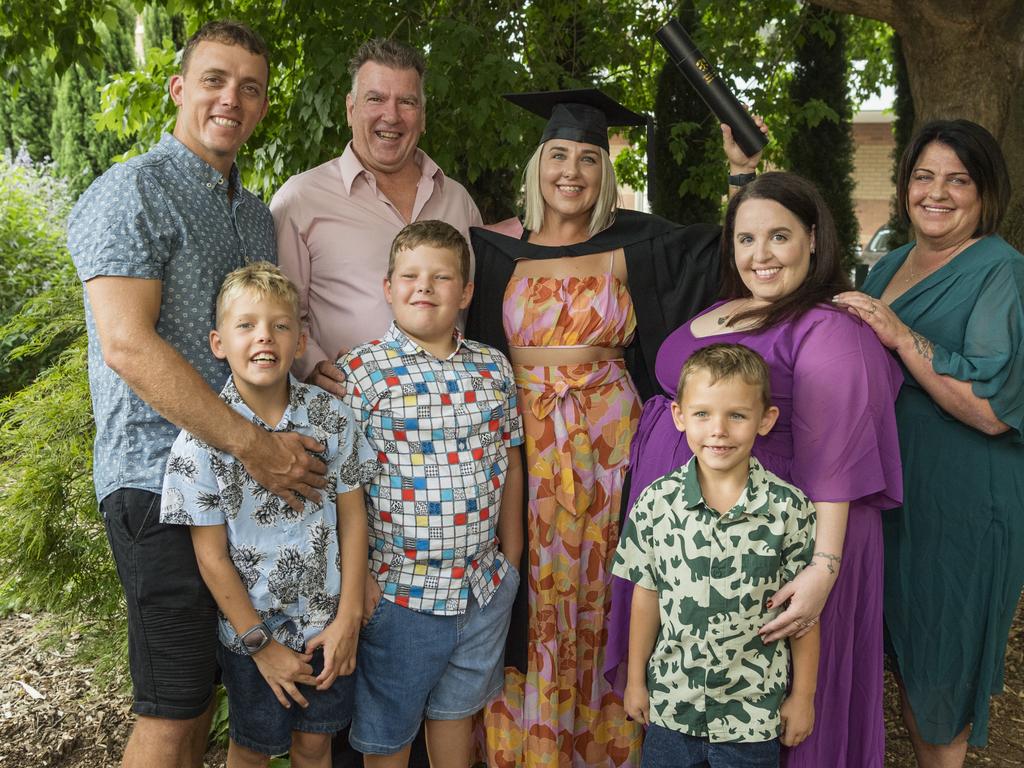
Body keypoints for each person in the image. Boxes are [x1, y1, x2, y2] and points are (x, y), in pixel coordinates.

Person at [464, 88, 765, 767]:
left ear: (606, 173)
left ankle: (606, 747)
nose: (572, 171)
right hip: (525, 447)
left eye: (590, 159)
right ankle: (533, 748)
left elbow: (734, 261)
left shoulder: (639, 243)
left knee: (608, 585)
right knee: (533, 591)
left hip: (611, 449)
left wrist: (741, 175)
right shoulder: (491, 251)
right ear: (539, 164)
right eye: (560, 155)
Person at [66, 21, 326, 768]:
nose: (230, 99)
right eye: (214, 79)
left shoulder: (251, 212)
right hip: (155, 482)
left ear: (263, 106)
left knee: (206, 705)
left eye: (250, 87)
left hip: (239, 490)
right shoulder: (132, 190)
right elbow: (126, 344)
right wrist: (256, 447)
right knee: (172, 710)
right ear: (180, 88)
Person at [612, 172, 903, 768]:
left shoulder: (829, 328)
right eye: (746, 239)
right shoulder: (729, 306)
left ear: (814, 239)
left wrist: (822, 571)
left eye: (779, 236)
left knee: (774, 708)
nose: (760, 255)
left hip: (783, 546)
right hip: (688, 542)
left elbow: (837, 460)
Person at [834, 119, 1024, 768]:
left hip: (963, 505)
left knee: (941, 675)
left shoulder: (1001, 271)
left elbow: (993, 408)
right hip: (893, 500)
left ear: (984, 192)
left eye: (957, 179)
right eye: (923, 176)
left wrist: (897, 335)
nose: (936, 192)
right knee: (907, 665)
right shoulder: (888, 264)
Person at [160, 263, 378, 767]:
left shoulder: (332, 418)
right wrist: (261, 646)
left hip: (327, 626)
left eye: (281, 325)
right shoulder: (199, 444)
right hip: (253, 636)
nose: (265, 337)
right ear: (218, 343)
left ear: (301, 341)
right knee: (252, 750)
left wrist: (347, 617)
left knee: (314, 744)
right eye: (247, 325)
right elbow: (211, 558)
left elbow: (352, 518)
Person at [336, 221, 524, 768]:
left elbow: (509, 461)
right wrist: (360, 580)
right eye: (411, 276)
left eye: (442, 277)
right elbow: (339, 488)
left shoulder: (492, 367)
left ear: (465, 292)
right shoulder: (360, 372)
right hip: (398, 594)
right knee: (389, 736)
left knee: (456, 722)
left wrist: (510, 561)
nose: (425, 287)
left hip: (483, 589)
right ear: (388, 287)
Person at [614, 343, 819, 768]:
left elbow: (803, 615)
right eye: (703, 413)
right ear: (679, 416)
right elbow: (646, 597)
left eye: (737, 415)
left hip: (752, 715)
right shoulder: (655, 504)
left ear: (765, 421)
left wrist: (803, 697)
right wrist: (636, 681)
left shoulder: (790, 509)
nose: (719, 430)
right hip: (672, 707)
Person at [271, 37, 483, 394]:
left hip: (453, 417)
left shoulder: (458, 201)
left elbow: (478, 308)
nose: (392, 115)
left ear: (423, 116)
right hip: (348, 412)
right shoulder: (301, 200)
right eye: (376, 99)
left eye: (407, 101)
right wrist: (309, 365)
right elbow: (278, 309)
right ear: (350, 109)